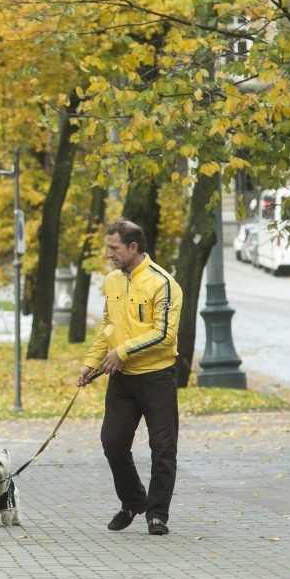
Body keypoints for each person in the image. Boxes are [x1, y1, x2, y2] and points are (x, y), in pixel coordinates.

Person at [76, 219, 183, 536]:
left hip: (157, 376)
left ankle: (157, 514)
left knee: (163, 448)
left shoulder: (162, 283)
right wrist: (91, 362)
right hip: (122, 380)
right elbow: (107, 327)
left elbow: (164, 334)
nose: (109, 254)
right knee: (112, 442)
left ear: (133, 248)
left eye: (114, 248)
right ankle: (134, 500)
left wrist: (122, 352)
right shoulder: (111, 281)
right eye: (108, 247)